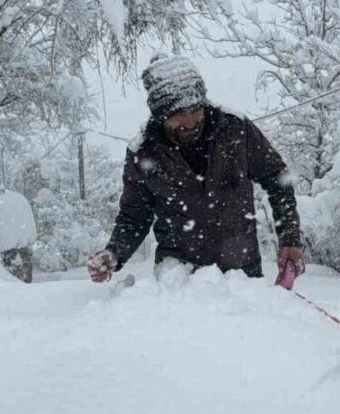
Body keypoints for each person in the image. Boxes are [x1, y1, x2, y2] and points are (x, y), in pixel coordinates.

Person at [87, 54, 305, 283]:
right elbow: (134, 216)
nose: (190, 122)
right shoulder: (143, 152)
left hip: (241, 276)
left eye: (195, 109)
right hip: (178, 281)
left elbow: (278, 179)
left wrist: (290, 238)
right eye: (178, 113)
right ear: (160, 114)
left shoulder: (235, 130)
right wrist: (114, 252)